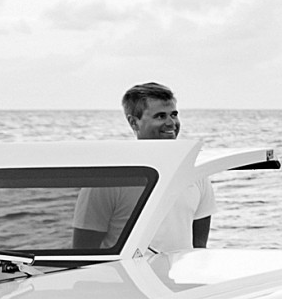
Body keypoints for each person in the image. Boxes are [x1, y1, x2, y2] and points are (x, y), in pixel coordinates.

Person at [72, 82, 215, 254]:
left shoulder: (195, 174)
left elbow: (199, 249)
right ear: (134, 122)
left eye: (174, 114)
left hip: (178, 272)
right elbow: (83, 253)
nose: (171, 123)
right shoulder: (108, 180)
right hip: (122, 273)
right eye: (160, 116)